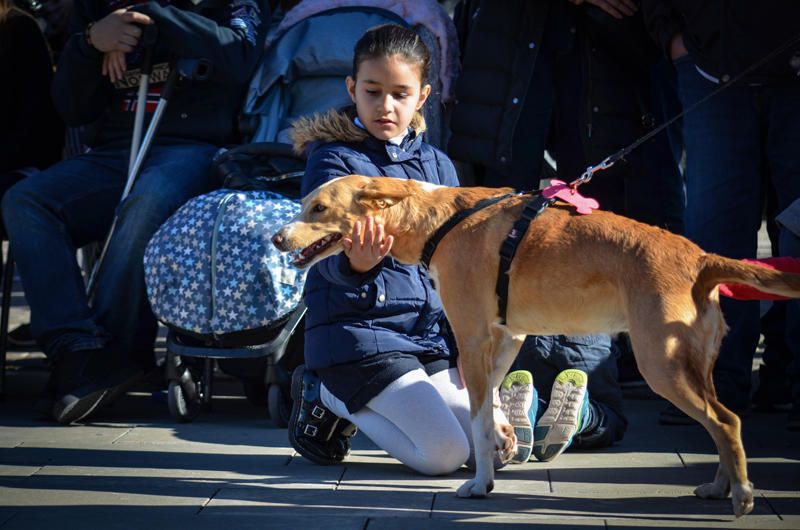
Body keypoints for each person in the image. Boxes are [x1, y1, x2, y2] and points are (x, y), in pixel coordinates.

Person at [1, 0, 268, 424]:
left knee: (146, 200)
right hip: (114, 150)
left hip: (196, 149)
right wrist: (91, 43)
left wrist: (156, 14)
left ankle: (118, 352)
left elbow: (241, 57)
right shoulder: (104, 6)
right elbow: (73, 108)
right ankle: (77, 346)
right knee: (28, 199)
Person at [287, 24, 535, 475]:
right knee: (445, 456)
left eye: (400, 94)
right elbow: (319, 256)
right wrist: (356, 265)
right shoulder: (333, 160)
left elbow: (463, 264)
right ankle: (327, 393)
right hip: (361, 336)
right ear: (352, 88)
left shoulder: (439, 165)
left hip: (426, 337)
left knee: (490, 452)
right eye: (373, 91)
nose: (386, 106)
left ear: (423, 97)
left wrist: (468, 344)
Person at [447, 0, 661, 452]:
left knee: (575, 233)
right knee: (517, 238)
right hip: (516, 59)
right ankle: (545, 405)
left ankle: (538, 402)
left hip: (601, 66)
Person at [642, 0, 800, 423]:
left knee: (798, 233)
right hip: (709, 67)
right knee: (713, 240)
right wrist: (674, 40)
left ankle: (787, 375)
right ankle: (716, 381)